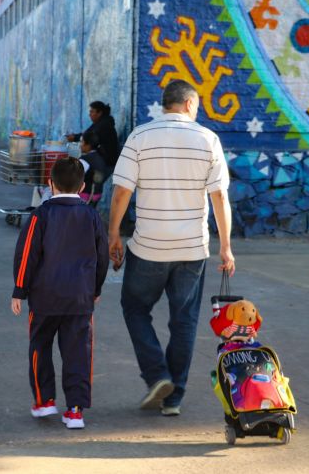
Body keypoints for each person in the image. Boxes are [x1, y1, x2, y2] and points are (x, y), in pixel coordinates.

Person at [108, 79, 235, 417]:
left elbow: (121, 192)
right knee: (184, 321)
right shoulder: (208, 139)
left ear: (164, 104)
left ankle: (156, 374)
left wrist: (113, 236)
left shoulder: (139, 137)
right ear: (190, 104)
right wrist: (225, 246)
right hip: (192, 250)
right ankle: (173, 397)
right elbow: (219, 196)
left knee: (134, 308)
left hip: (148, 247)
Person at [11, 157, 110, 429]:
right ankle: (75, 411)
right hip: (80, 298)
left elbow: (26, 254)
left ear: (50, 183)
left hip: (44, 298)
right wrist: (96, 289)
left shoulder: (40, 215)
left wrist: (19, 290)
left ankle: (44, 401)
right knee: (79, 352)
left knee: (39, 346)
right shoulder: (91, 215)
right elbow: (102, 257)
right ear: (83, 186)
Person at [66, 101, 120, 179]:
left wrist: (74, 138)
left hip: (107, 162)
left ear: (99, 113)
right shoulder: (100, 122)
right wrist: (75, 136)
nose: (90, 114)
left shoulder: (104, 125)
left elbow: (90, 135)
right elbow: (87, 133)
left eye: (92, 112)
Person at [77, 129, 106, 206]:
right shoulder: (99, 157)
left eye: (82, 142)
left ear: (88, 145)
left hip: (86, 196)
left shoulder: (85, 159)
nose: (80, 145)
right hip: (97, 195)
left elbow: (74, 178)